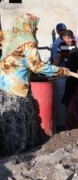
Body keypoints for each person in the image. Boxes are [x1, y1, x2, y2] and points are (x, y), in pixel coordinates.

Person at [0, 13, 70, 155]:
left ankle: (7, 154)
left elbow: (19, 61)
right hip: (17, 89)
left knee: (7, 121)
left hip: (2, 86)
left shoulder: (9, 37)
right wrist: (61, 71)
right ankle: (20, 154)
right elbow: (37, 66)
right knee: (20, 119)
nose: (36, 30)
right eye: (35, 27)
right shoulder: (28, 41)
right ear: (28, 26)